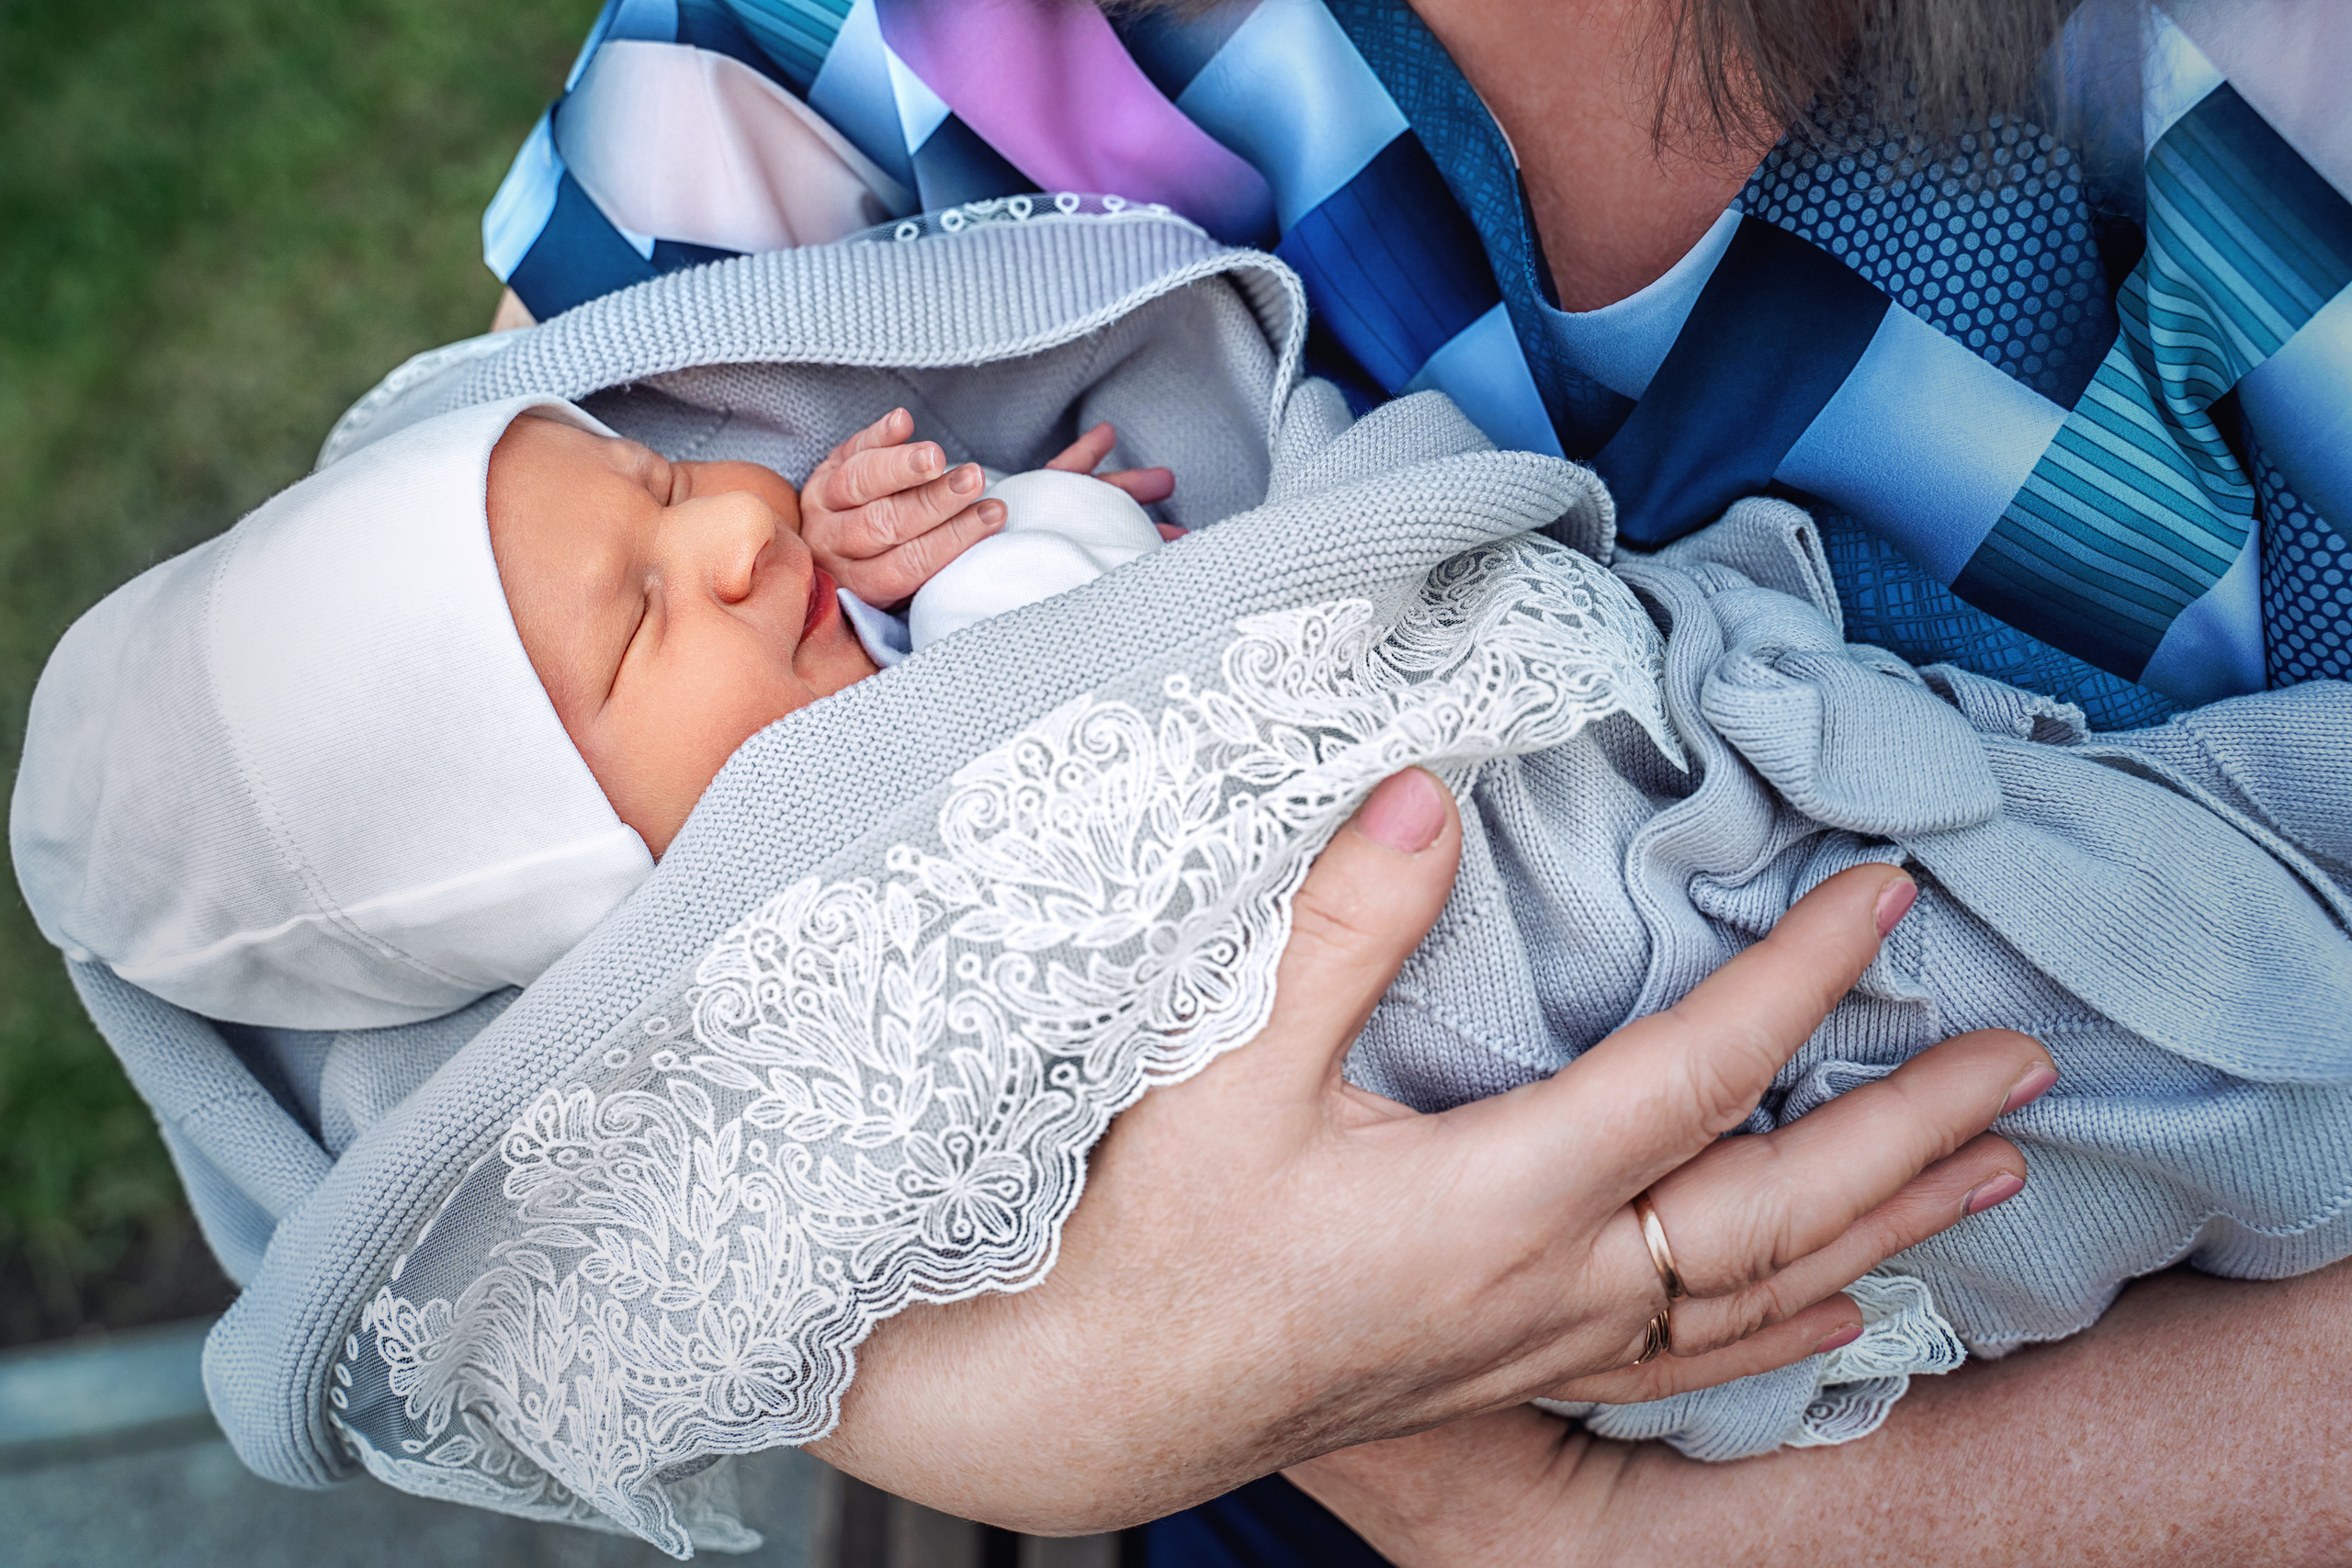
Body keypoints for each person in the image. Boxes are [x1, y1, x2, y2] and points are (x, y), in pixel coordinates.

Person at [458, 0, 2352, 1554]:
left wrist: (1553, 1527)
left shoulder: (2253, 88)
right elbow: (429, 895)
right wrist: (1062, 1393)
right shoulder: (825, 53)